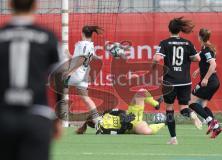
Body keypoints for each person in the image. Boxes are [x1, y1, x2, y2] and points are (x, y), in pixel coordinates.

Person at [0, 0, 62, 160]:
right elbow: (59, 77)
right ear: (35, 5)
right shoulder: (48, 37)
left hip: (4, 116)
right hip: (37, 115)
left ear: (10, 4)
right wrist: (59, 117)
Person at [152, 17, 202, 145]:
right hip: (185, 81)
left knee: (169, 108)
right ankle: (191, 114)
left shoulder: (164, 43)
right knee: (184, 107)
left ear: (169, 29)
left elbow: (157, 59)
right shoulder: (187, 43)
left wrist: (153, 65)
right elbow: (197, 58)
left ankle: (173, 138)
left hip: (170, 82)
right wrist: (188, 58)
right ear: (180, 30)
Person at [63, 25, 104, 132]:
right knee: (86, 99)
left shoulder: (82, 44)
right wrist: (69, 55)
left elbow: (81, 59)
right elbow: (86, 57)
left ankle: (59, 119)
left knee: (55, 87)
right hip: (83, 75)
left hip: (76, 74)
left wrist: (69, 72)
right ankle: (98, 122)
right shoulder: (90, 45)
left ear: (82, 33)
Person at [77, 89, 165, 135]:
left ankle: (156, 103)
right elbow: (117, 132)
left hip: (132, 114)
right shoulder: (102, 129)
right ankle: (162, 123)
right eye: (94, 117)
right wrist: (124, 124)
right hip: (131, 126)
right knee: (146, 131)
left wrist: (124, 115)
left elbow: (119, 111)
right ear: (93, 122)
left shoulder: (106, 113)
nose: (97, 116)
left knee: (141, 92)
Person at [189, 28, 222, 138]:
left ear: (200, 37)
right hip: (214, 81)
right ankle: (216, 127)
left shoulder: (207, 49)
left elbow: (213, 64)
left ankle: (210, 122)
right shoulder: (206, 47)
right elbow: (207, 63)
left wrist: (206, 78)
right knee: (202, 106)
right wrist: (199, 70)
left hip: (210, 81)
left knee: (191, 102)